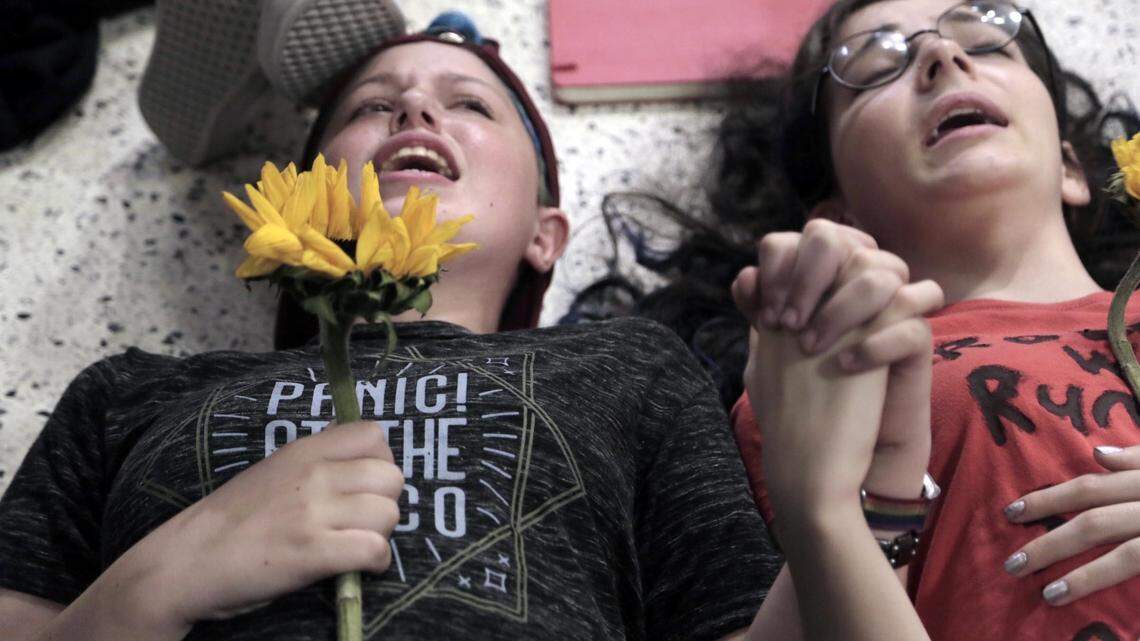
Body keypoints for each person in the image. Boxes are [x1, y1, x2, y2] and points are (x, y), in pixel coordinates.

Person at [0, 13, 785, 641]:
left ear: (546, 234)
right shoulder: (126, 393)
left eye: (470, 103)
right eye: (372, 105)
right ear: (300, 194)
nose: (414, 108)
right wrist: (151, 588)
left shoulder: (635, 366)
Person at [693, 0, 1140, 639]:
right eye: (875, 68)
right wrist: (851, 507)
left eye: (987, 42)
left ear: (1072, 168)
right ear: (838, 218)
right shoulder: (821, 374)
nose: (941, 56)